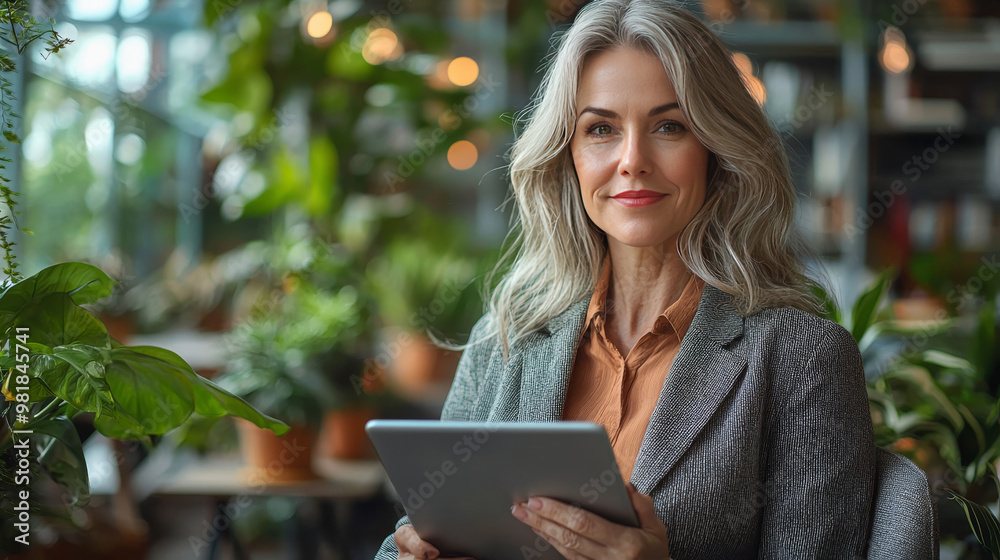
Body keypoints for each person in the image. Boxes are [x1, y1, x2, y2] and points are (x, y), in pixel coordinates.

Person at [376, 0, 876, 558]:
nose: (632, 160)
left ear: (716, 149)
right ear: (568, 155)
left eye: (669, 126)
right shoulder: (505, 339)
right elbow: (412, 534)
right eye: (601, 129)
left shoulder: (803, 359)